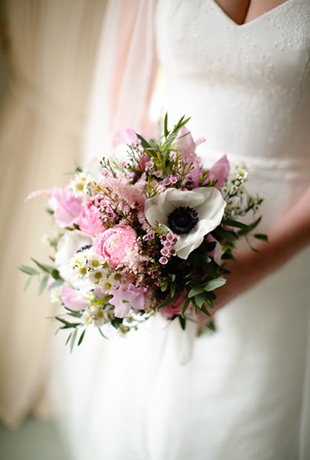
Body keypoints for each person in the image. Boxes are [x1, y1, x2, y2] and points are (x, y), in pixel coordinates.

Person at [50, 1, 310, 459]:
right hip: (160, 222)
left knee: (250, 406)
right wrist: (127, 222)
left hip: (287, 232)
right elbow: (124, 105)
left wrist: (249, 270)